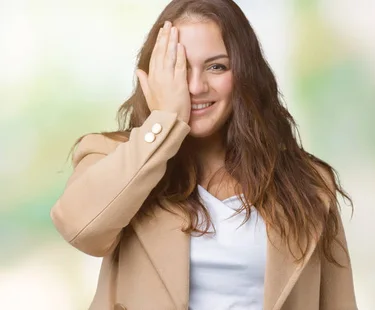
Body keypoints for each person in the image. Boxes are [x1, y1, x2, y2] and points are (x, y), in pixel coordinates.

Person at [50, 0, 356, 309]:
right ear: (154, 75)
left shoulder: (307, 183)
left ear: (245, 74)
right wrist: (165, 123)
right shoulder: (112, 156)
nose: (196, 86)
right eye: (179, 68)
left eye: (216, 67)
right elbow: (79, 229)